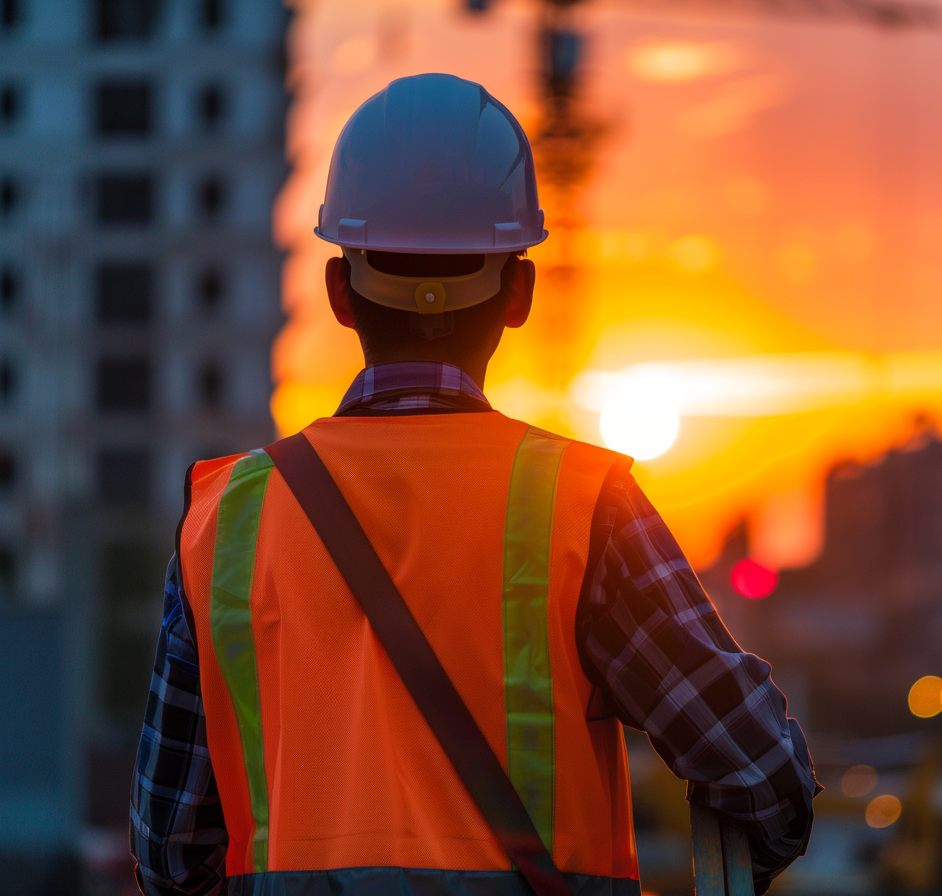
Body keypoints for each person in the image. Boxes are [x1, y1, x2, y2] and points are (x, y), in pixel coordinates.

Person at [130, 73, 817, 896]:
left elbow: (169, 851)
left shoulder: (228, 523)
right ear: (518, 294)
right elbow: (763, 777)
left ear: (340, 294)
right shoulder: (582, 508)